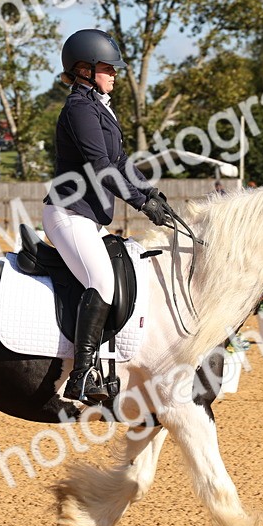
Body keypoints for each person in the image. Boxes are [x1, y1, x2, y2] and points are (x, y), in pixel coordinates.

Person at [43, 28, 167, 405]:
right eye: (108, 68)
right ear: (84, 69)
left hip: (88, 217)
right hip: (67, 212)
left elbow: (120, 163)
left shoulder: (99, 108)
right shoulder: (79, 108)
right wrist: (138, 202)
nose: (115, 74)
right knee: (102, 280)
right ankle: (82, 374)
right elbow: (100, 166)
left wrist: (151, 192)